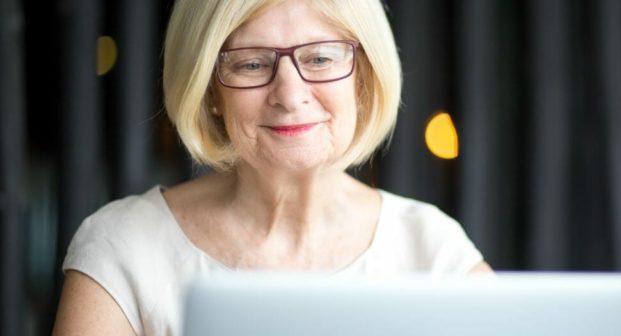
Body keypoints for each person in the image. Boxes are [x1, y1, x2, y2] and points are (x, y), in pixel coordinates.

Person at [53, 0, 492, 335]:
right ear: (209, 91)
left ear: (362, 78)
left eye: (320, 58)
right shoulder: (124, 249)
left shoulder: (432, 250)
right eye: (251, 63)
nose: (290, 95)